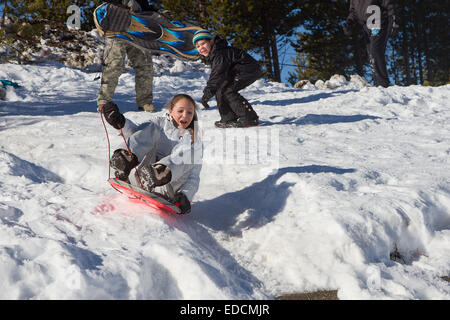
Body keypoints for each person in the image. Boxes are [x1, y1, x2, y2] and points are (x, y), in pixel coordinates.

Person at [101, 94, 202, 214]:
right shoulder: (158, 123)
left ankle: (161, 173)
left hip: (167, 190)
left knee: (190, 151)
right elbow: (137, 133)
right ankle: (126, 159)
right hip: (141, 177)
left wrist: (185, 195)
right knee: (150, 128)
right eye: (180, 111)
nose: (185, 115)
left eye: (190, 112)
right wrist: (120, 122)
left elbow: (193, 176)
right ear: (170, 111)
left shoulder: (194, 139)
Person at [193, 30, 263, 128]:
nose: (201, 48)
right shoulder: (214, 54)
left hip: (248, 69)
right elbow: (219, 76)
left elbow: (217, 74)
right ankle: (228, 118)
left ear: (211, 42)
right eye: (198, 46)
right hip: (237, 71)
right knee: (221, 89)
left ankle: (250, 118)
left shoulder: (219, 53)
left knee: (228, 91)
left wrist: (208, 92)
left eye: (203, 43)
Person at [97, 0, 156, 112]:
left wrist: (155, 14)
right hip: (116, 25)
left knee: (145, 65)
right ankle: (104, 101)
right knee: (113, 65)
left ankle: (145, 102)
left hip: (138, 26)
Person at [343, 0, 397, 88]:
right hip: (366, 24)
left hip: (379, 20)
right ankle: (378, 84)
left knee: (375, 51)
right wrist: (349, 22)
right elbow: (353, 11)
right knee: (371, 54)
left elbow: (388, 3)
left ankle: (383, 84)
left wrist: (393, 18)